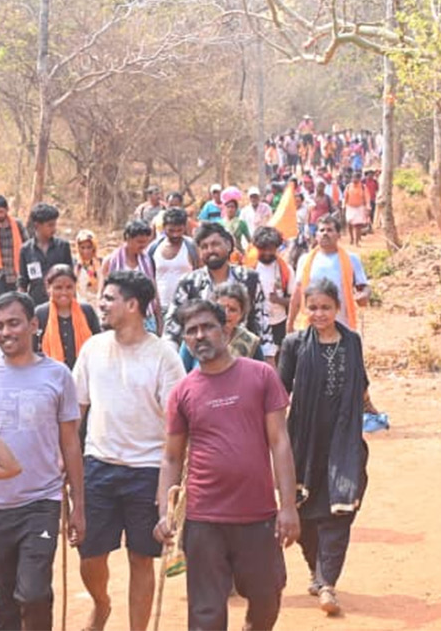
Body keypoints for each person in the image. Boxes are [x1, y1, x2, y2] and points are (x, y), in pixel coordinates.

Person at [154, 300, 299, 631]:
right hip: (204, 518)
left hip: (258, 514)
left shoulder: (261, 375)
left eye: (207, 327)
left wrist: (287, 506)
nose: (200, 335)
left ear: (226, 330)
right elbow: (172, 456)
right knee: (206, 614)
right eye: (191, 331)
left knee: (267, 598)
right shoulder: (182, 392)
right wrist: (165, 512)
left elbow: (280, 442)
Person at [0, 292, 85, 631]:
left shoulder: (58, 376)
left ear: (33, 325)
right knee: (1, 600)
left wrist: (78, 505)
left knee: (32, 593)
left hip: (40, 502)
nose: (5, 332)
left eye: (13, 323)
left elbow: (70, 444)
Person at [73, 270, 185, 631]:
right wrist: (69, 463)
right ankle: (101, 603)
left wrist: (171, 483)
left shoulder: (164, 355)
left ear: (133, 305)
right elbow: (77, 411)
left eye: (109, 299)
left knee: (142, 558)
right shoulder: (92, 347)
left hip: (148, 470)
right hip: (98, 466)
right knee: (90, 556)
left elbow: (177, 423)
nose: (101, 305)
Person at [278, 279, 370, 617]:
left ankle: (328, 581)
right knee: (304, 509)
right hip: (305, 440)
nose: (319, 314)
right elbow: (279, 392)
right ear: (304, 308)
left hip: (343, 439)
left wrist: (371, 408)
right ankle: (317, 571)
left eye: (326, 308)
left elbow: (360, 381)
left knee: (341, 508)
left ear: (337, 308)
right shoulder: (294, 344)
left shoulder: (352, 342)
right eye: (312, 307)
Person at [164, 224, 269, 362]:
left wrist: (268, 358)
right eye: (204, 247)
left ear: (228, 245)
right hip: (202, 360)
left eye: (215, 244)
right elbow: (172, 328)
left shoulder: (249, 279)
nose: (210, 250)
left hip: (244, 359)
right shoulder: (189, 283)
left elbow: (261, 321)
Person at [287, 215, 370, 335]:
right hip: (312, 323)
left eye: (330, 230)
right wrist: (290, 323)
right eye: (322, 230)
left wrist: (364, 294)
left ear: (338, 235)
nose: (325, 233)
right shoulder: (305, 260)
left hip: (342, 324)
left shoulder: (352, 259)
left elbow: (363, 286)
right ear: (316, 235)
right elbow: (298, 293)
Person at [177, 281, 262, 373]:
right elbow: (181, 373)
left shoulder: (251, 342)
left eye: (232, 310)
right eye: (222, 308)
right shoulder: (197, 337)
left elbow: (260, 376)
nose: (226, 313)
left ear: (241, 314)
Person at [34, 264, 101, 370]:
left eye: (69, 287)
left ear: (75, 287)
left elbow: (98, 343)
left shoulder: (86, 311)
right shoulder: (41, 314)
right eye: (58, 288)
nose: (64, 292)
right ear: (48, 288)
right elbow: (33, 349)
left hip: (83, 374)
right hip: (50, 376)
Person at [18, 202, 73, 307]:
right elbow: (23, 282)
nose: (54, 229)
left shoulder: (63, 247)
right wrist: (22, 305)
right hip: (36, 304)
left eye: (55, 224)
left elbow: (70, 278)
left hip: (60, 304)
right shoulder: (26, 250)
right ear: (37, 225)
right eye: (50, 225)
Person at [148, 207, 201, 318]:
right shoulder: (154, 248)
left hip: (186, 307)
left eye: (179, 230)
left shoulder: (191, 247)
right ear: (164, 227)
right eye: (171, 231)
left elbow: (200, 275)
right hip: (160, 308)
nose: (175, 235)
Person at [248, 227, 293, 352]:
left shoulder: (286, 270)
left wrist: (278, 300)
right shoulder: (249, 269)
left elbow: (295, 300)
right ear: (257, 247)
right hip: (256, 323)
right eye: (263, 249)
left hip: (279, 322)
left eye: (271, 249)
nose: (267, 252)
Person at [74, 229, 104, 305]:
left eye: (89, 247)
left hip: (96, 300)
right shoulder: (75, 264)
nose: (85, 251)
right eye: (82, 247)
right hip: (80, 301)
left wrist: (99, 296)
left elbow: (101, 278)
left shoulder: (100, 262)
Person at [219, 189, 252, 255]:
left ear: (236, 209)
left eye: (232, 207)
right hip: (224, 254)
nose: (230, 209)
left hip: (238, 253)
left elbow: (250, 241)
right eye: (228, 207)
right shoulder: (220, 224)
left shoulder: (241, 223)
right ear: (225, 208)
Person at [342, 173, 371, 245]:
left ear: (359, 179)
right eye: (353, 178)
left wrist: (368, 207)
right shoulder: (348, 187)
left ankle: (357, 242)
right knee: (349, 224)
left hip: (360, 208)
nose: (354, 179)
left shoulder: (363, 187)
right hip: (350, 208)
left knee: (358, 226)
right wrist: (343, 207)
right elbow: (345, 197)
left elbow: (367, 198)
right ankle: (351, 238)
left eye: (356, 178)